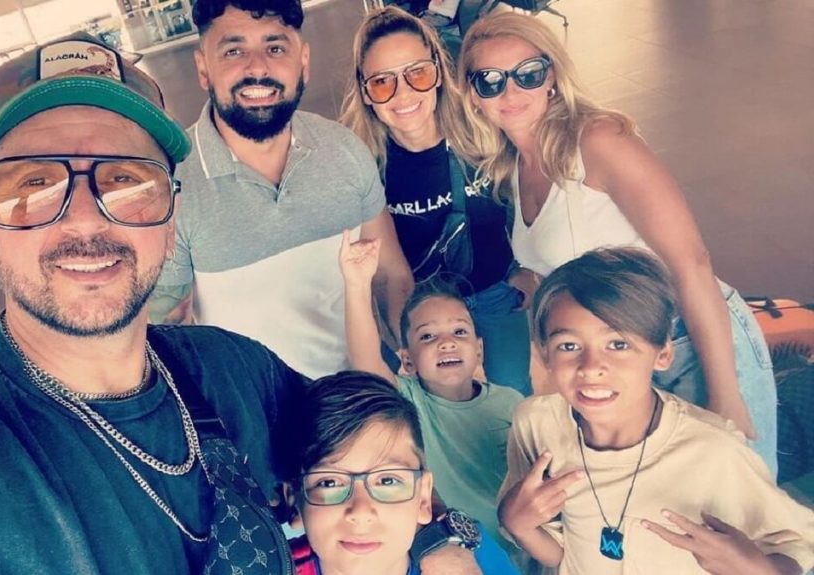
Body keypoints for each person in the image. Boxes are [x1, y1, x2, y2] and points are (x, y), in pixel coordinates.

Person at [0, 33, 482, 575]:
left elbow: (373, 437)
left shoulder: (232, 370)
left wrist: (437, 539)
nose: (85, 217)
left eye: (126, 180)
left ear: (171, 218)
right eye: (32, 183)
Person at [457, 12, 778, 474]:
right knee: (671, 504)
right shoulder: (512, 168)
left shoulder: (597, 142)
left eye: (528, 73)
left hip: (687, 337)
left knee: (741, 498)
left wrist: (725, 392)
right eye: (490, 81)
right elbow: (567, 259)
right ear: (472, 95)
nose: (511, 92)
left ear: (552, 76)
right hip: (619, 361)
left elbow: (691, 261)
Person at [497, 247, 814, 574]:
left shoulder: (713, 450)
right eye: (569, 346)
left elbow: (799, 543)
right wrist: (517, 525)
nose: (591, 367)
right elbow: (562, 554)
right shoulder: (537, 424)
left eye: (618, 344)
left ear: (662, 354)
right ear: (545, 355)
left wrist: (759, 570)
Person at [148, 0, 414, 379]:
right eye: (234, 51)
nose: (257, 68)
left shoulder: (344, 150)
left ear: (303, 61)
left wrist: (413, 361)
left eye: (275, 48)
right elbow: (164, 329)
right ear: (204, 68)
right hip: (254, 410)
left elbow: (390, 274)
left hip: (360, 398)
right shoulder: (172, 188)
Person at [340, 6, 530, 395]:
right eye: (382, 82)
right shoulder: (364, 164)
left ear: (439, 72)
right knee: (434, 408)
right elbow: (388, 274)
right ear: (365, 92)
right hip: (419, 312)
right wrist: (409, 339)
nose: (404, 93)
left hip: (494, 295)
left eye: (418, 73)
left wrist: (531, 268)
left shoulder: (483, 129)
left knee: (512, 400)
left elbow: (529, 191)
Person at [339, 229, 522, 556]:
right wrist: (357, 285)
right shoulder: (408, 402)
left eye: (459, 331)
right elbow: (366, 361)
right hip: (452, 552)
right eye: (427, 336)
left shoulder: (511, 404)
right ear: (407, 360)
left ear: (479, 350)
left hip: (520, 549)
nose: (447, 342)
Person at [286, 371, 516, 575]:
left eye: (387, 480)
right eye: (329, 483)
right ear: (293, 498)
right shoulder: (271, 565)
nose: (361, 512)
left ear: (424, 498)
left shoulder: (476, 556)